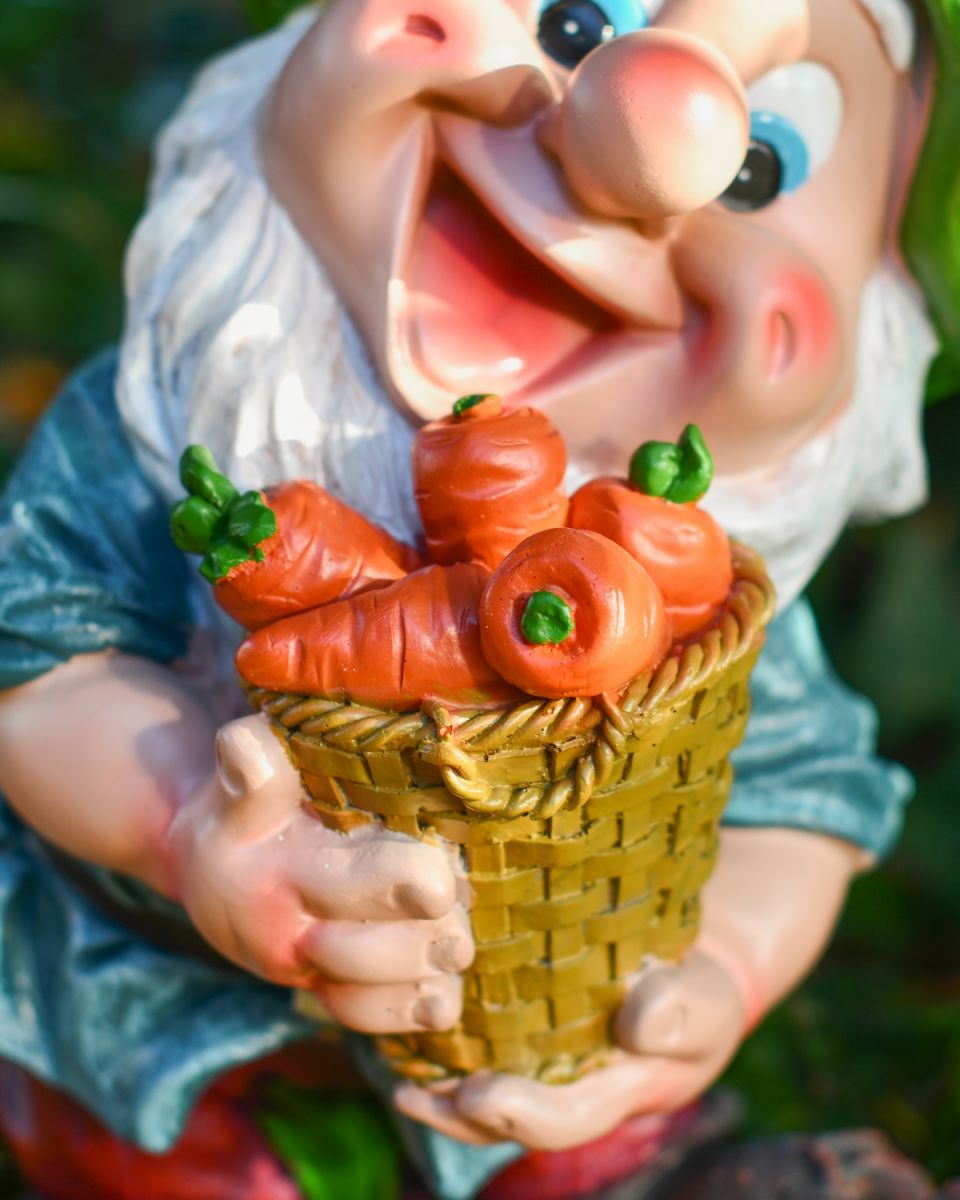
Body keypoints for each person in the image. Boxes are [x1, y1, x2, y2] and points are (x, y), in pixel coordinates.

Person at [0, 0, 956, 1196]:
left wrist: (714, 972)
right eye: (573, 21)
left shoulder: (708, 589)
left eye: (762, 163)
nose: (648, 140)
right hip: (171, 1032)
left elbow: (800, 801)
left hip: (541, 1054)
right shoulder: (157, 424)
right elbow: (38, 662)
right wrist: (187, 823)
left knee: (593, 1158)